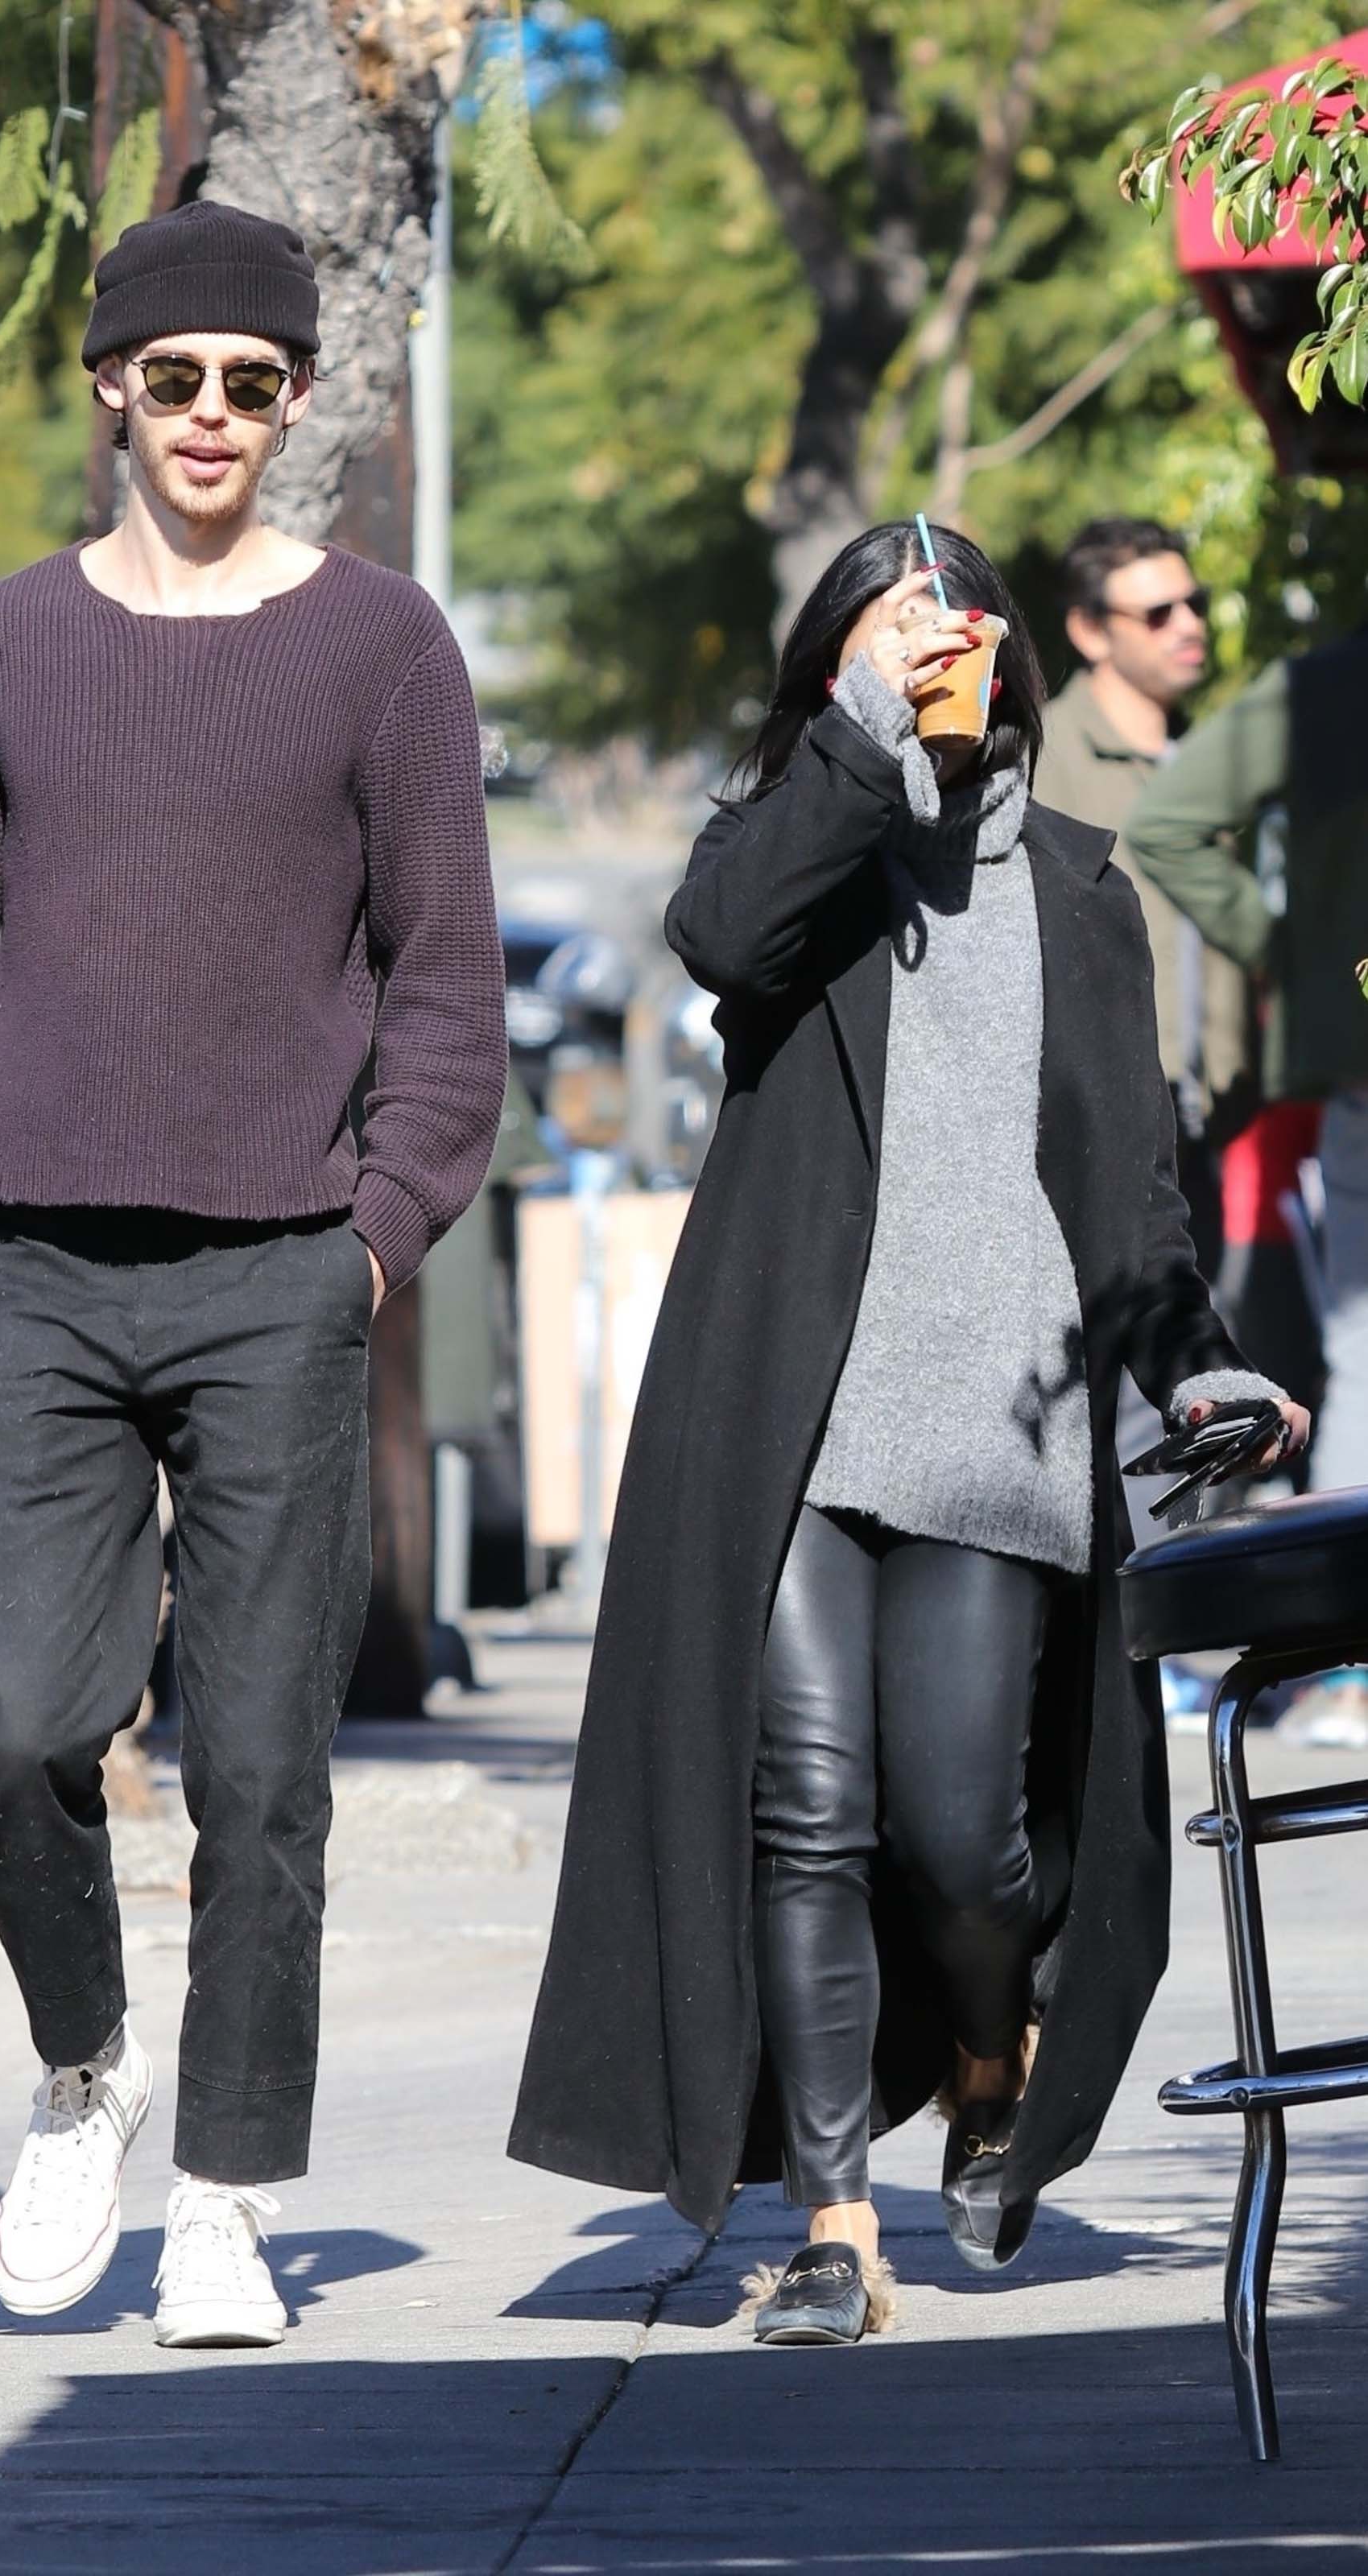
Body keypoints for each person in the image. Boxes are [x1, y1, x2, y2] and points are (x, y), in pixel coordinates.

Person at [0, 200, 507, 2349]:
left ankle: (231, 2194)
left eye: (248, 384)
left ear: (290, 404)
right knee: (4, 1718)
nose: (206, 416)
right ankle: (82, 2066)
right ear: (107, 388)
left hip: (282, 1269)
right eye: (169, 376)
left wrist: (370, 1240)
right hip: (31, 1268)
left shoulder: (382, 650)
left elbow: (446, 998)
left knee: (260, 1763)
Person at [509, 523, 1306, 2349]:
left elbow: (1133, 1205)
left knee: (960, 1838)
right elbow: (714, 940)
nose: (925, 652)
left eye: (949, 630)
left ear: (1014, 661)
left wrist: (1190, 1371)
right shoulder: (797, 857)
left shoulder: (1085, 898)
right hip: (793, 1403)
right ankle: (829, 2225)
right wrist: (861, 735)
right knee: (805, 1810)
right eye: (882, 632)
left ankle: (981, 2046)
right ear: (835, 672)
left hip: (996, 1420)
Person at [1122, 625, 1368, 1496]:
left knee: (1363, 1365)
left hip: (1357, 1071)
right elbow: (1169, 825)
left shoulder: (1327, 687)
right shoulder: (1327, 688)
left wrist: (1301, 961)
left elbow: (1168, 821)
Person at [1037, 517, 1248, 1275]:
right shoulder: (1043, 760)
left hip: (1204, 1128)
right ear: (1090, 632)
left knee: (1208, 1375)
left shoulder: (1206, 756)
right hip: (1094, 1141)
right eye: (1157, 613)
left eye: (1193, 603)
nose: (1188, 625)